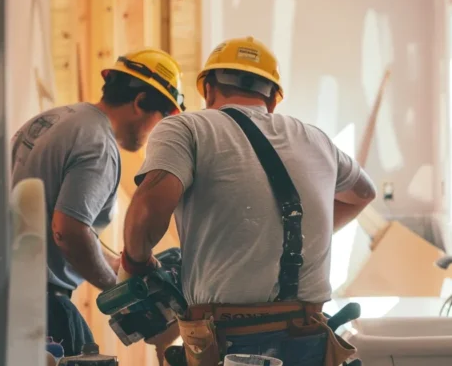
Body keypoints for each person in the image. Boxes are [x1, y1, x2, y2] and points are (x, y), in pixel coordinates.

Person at [119, 36, 377, 366]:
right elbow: (363, 194)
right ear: (272, 99)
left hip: (225, 340)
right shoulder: (317, 139)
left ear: (208, 88)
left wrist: (136, 265)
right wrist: (311, 235)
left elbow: (145, 217)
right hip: (309, 336)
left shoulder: (186, 127)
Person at [9, 48, 187, 357]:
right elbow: (68, 230)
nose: (153, 134)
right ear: (141, 102)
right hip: (41, 305)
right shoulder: (99, 144)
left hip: (5, 292)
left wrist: (119, 266)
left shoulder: (55, 120)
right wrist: (116, 288)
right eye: (160, 120)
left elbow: (63, 219)